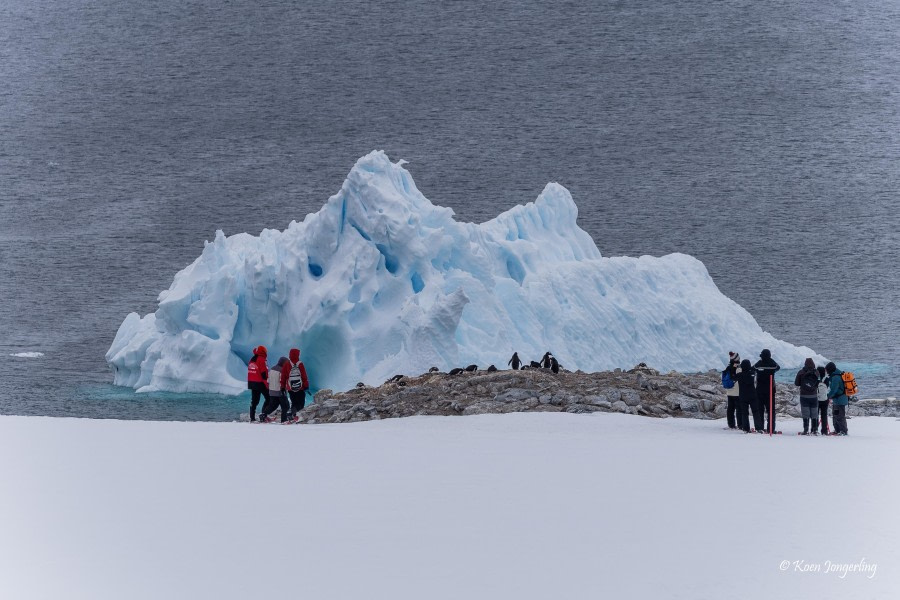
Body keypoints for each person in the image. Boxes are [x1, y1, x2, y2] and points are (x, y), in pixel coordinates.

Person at [753, 349, 781, 433]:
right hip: (770, 390)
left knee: (760, 409)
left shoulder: (759, 364)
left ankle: (760, 427)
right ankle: (771, 428)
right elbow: (778, 367)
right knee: (771, 411)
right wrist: (770, 359)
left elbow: (753, 368)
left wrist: (761, 360)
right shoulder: (772, 365)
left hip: (759, 390)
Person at [260, 356, 291, 423]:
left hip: (272, 392)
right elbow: (282, 381)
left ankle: (263, 415)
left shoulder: (272, 369)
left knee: (272, 406)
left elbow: (268, 380)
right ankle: (284, 420)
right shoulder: (282, 370)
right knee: (285, 406)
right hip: (280, 391)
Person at [283, 347, 309, 421]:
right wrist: (306, 386)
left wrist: (283, 387)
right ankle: (294, 415)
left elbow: (284, 377)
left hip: (290, 388)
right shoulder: (300, 364)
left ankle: (292, 414)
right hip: (300, 387)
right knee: (301, 403)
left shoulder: (286, 364)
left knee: (294, 402)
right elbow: (304, 376)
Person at [794, 358, 820, 435]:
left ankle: (806, 430)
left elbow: (796, 383)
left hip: (804, 395)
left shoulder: (801, 372)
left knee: (805, 413)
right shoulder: (816, 372)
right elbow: (818, 382)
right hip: (814, 395)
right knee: (814, 413)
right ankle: (814, 430)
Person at [247, 345, 270, 422]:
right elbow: (264, 373)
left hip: (252, 382)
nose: (266, 352)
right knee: (269, 398)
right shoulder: (262, 359)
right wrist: (267, 384)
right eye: (265, 350)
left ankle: (252, 418)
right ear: (263, 351)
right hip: (260, 383)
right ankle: (264, 415)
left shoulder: (252, 359)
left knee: (254, 401)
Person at [826, 362, 849, 435]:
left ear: (830, 369)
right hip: (838, 400)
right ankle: (837, 430)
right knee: (836, 415)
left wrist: (828, 396)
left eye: (827, 370)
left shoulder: (836, 377)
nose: (826, 372)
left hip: (840, 400)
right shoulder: (837, 375)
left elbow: (834, 390)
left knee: (840, 416)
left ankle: (843, 431)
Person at [735, 359, 757, 433]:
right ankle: (759, 427)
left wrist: (736, 367)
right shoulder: (752, 373)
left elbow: (733, 378)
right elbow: (753, 368)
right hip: (752, 395)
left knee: (744, 413)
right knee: (755, 412)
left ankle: (746, 428)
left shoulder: (739, 375)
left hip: (743, 396)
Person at [722, 352, 741, 429]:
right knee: (739, 409)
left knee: (730, 408)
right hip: (737, 391)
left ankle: (731, 424)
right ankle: (740, 424)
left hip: (729, 391)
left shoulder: (728, 367)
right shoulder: (738, 367)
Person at [816, 366, 830, 434]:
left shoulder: (816, 379)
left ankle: (815, 429)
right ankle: (824, 431)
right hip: (825, 399)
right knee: (824, 415)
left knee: (816, 415)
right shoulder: (826, 379)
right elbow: (828, 388)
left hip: (817, 399)